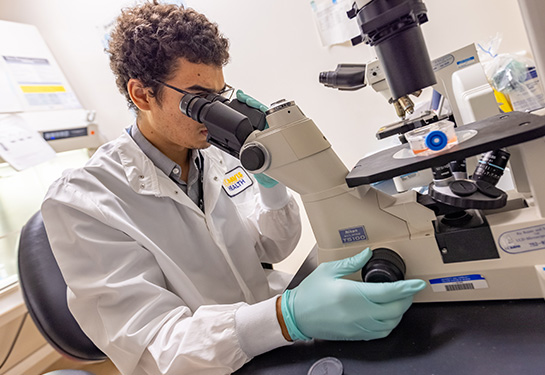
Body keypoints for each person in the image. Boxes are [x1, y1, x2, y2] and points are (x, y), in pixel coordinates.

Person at [41, 2, 426, 374]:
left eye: (219, 94)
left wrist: (273, 182)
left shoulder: (213, 149)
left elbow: (274, 246)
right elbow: (158, 349)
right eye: (198, 98)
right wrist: (285, 316)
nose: (216, 111)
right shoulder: (82, 200)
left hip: (273, 342)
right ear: (142, 95)